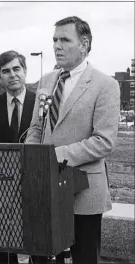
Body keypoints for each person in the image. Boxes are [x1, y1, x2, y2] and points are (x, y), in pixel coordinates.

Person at [25, 16, 120, 264]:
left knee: (84, 258)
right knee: (41, 255)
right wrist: (31, 158)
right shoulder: (46, 81)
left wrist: (55, 156)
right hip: (44, 188)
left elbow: (104, 141)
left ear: (84, 44)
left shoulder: (105, 85)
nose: (56, 45)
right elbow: (36, 127)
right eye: (54, 39)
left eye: (65, 39)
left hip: (84, 192)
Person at [0, 50, 36, 264]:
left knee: (37, 241)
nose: (12, 75)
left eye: (16, 69)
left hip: (35, 181)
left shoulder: (43, 104)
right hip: (3, 185)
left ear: (24, 71)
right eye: (6, 71)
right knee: (5, 242)